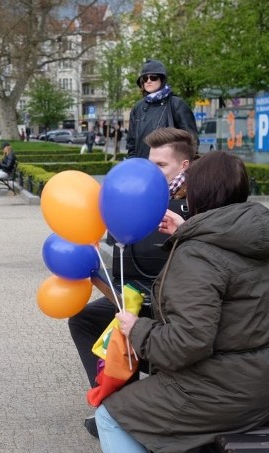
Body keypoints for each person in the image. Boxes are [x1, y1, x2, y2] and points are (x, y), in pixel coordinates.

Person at [91, 151, 269, 453]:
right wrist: (189, 231)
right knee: (157, 410)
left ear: (197, 194)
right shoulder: (251, 235)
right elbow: (225, 278)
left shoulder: (198, 254)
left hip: (226, 387)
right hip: (266, 380)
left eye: (185, 188)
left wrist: (138, 329)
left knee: (112, 416)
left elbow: (187, 343)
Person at [69, 127, 196, 435]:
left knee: (127, 324)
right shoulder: (136, 194)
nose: (151, 173)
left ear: (184, 166)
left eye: (161, 166)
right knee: (84, 319)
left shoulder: (196, 199)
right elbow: (120, 254)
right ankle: (112, 402)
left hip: (178, 302)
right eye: (149, 163)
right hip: (137, 293)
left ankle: (124, 409)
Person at [125, 60, 198, 160]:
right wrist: (134, 164)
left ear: (162, 79)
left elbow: (191, 141)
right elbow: (131, 143)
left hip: (170, 166)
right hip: (143, 165)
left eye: (153, 77)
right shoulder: (138, 108)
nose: (149, 81)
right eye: (145, 78)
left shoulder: (176, 104)